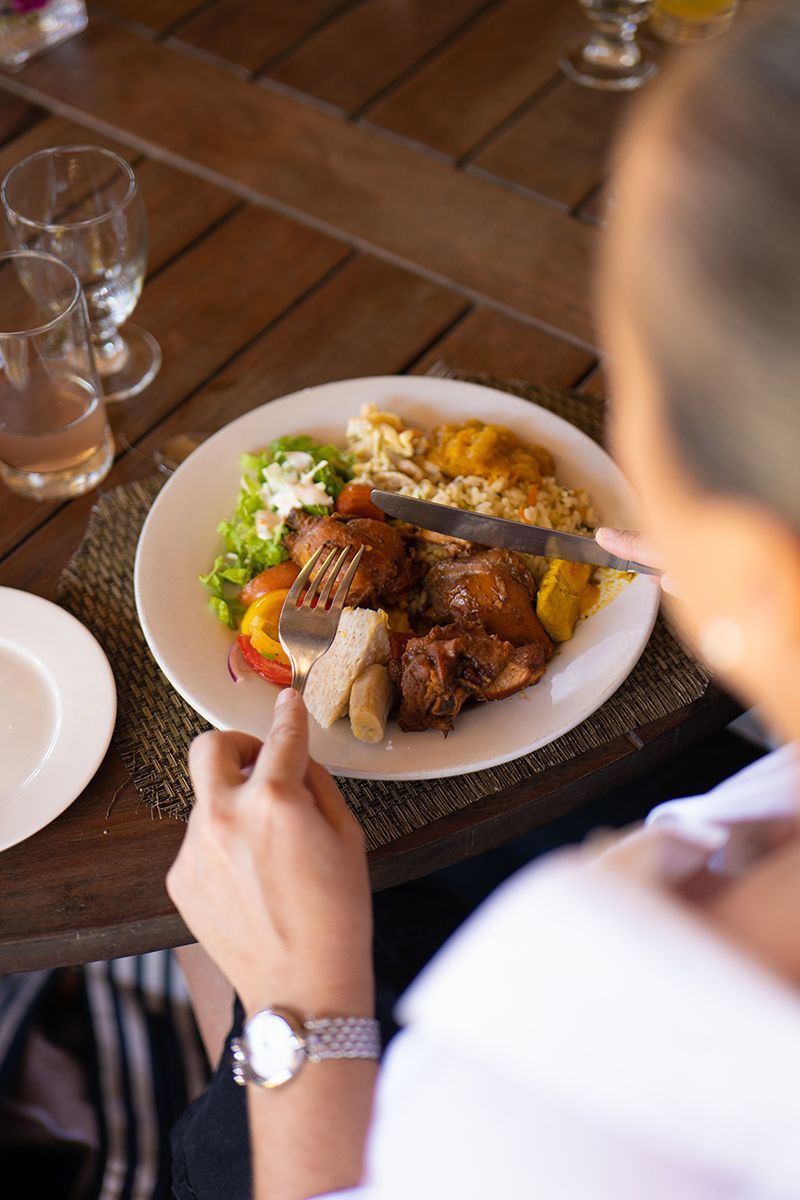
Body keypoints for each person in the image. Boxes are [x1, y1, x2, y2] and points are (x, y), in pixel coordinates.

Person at [167, 5, 800, 1197]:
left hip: (361, 1067)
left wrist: (300, 998)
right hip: (665, 820)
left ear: (752, 550)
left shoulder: (552, 1131)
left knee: (210, 1130)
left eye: (638, 385)